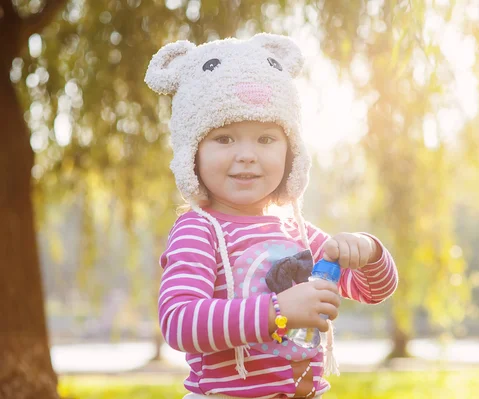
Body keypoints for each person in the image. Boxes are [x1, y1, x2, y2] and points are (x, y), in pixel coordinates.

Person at [145, 32, 398, 399]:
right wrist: (276, 312)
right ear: (192, 153)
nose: (247, 155)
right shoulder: (200, 230)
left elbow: (374, 290)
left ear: (290, 152)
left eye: (265, 139)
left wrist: (368, 251)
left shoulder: (295, 232)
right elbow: (180, 322)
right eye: (224, 138)